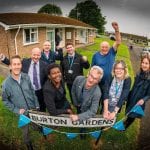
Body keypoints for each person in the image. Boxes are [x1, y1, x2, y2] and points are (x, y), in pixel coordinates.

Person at [2, 55, 39, 150]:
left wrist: (37, 105)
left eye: (18, 64)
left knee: (35, 121)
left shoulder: (26, 77)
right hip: (21, 112)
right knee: (25, 130)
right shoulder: (6, 84)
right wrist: (17, 110)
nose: (17, 66)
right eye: (14, 64)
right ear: (10, 66)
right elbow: (5, 100)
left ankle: (37, 128)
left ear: (21, 65)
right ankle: (28, 143)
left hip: (32, 108)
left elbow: (32, 91)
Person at [1, 48, 48, 112]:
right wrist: (4, 59)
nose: (36, 57)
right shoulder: (25, 62)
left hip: (40, 90)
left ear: (41, 55)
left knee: (41, 107)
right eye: (34, 55)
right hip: (27, 90)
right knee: (28, 108)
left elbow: (46, 78)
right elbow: (14, 64)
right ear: (31, 55)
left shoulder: (44, 65)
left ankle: (41, 118)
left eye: (38, 55)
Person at [124, 54, 150, 129]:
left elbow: (149, 94)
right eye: (143, 62)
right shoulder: (139, 74)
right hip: (132, 97)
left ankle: (126, 125)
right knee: (129, 111)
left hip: (139, 100)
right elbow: (134, 87)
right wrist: (128, 96)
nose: (144, 65)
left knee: (133, 114)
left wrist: (143, 100)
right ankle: (126, 121)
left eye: (146, 63)